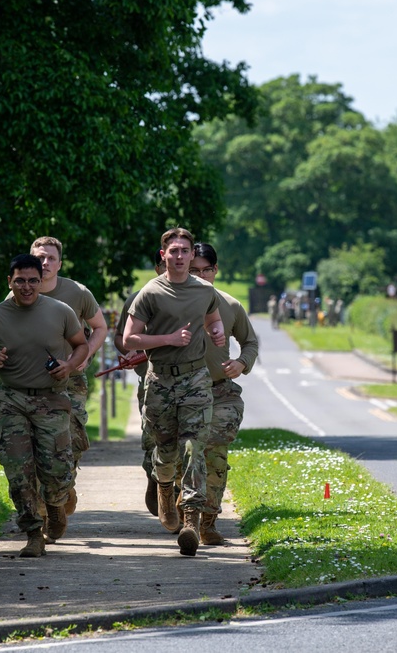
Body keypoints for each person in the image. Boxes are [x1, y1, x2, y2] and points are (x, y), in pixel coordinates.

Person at [123, 227, 225, 557]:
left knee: (194, 447)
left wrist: (217, 331)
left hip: (195, 378)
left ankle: (191, 521)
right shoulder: (150, 293)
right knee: (165, 451)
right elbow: (129, 339)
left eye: (185, 251)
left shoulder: (203, 290)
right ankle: (165, 489)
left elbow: (212, 318)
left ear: (192, 255)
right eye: (174, 251)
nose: (180, 256)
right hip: (160, 381)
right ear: (164, 254)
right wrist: (167, 339)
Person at [0, 254, 88, 558]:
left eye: (32, 280)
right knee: (18, 470)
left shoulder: (60, 311)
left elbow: (81, 345)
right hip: (12, 399)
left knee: (56, 470)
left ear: (41, 281)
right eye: (19, 281)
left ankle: (55, 505)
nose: (26, 287)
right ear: (10, 282)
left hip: (51, 400)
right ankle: (32, 532)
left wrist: (69, 366)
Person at [28, 236, 109, 517]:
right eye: (40, 257)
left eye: (51, 258)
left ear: (59, 263)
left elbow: (100, 327)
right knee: (37, 444)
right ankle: (46, 508)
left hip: (70, 381)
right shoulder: (20, 293)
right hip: (32, 382)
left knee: (71, 441)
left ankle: (65, 486)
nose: (45, 263)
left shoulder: (77, 293)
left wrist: (84, 357)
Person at [188, 242, 258, 545]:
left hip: (221, 393)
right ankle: (180, 508)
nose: (201, 277)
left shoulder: (230, 305)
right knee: (184, 456)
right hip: (181, 393)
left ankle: (206, 522)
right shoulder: (170, 302)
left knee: (212, 453)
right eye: (194, 271)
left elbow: (250, 341)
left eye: (207, 270)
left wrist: (242, 363)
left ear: (216, 270)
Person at [112, 250, 166, 517]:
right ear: (157, 268)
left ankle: (178, 498)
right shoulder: (138, 299)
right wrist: (129, 352)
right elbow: (121, 338)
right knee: (152, 439)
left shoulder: (197, 299)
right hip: (151, 381)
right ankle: (154, 477)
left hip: (190, 381)